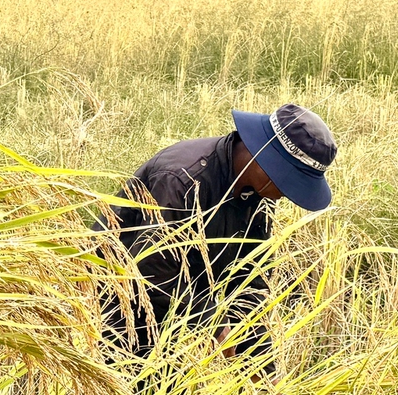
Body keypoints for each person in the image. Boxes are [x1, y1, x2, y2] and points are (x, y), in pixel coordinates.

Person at [102, 103, 336, 360]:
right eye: (288, 182)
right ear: (264, 161)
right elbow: (153, 271)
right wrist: (213, 321)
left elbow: (250, 283)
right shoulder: (182, 180)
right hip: (118, 308)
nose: (285, 195)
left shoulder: (258, 195)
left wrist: (261, 369)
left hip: (178, 322)